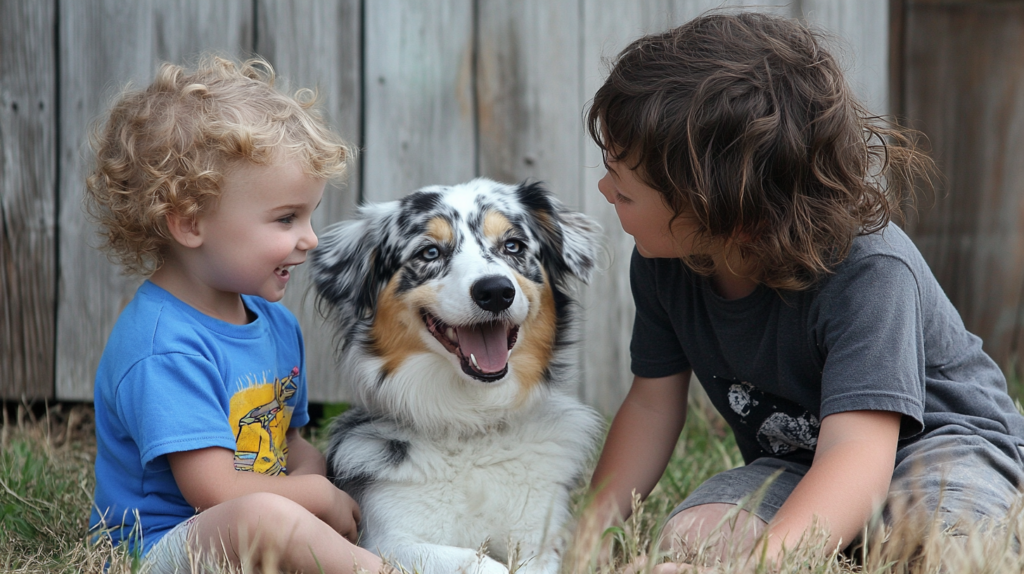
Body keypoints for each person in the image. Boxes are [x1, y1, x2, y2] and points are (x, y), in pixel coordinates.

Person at [583, 11, 1024, 571]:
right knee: (690, 538)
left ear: (726, 214)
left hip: (940, 450)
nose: (603, 190)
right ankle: (846, 549)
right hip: (799, 463)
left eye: (624, 192)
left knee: (943, 551)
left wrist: (762, 564)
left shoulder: (870, 270)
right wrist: (587, 540)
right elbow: (650, 405)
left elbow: (858, 453)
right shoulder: (666, 261)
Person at [86, 55, 385, 574]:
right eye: (286, 218)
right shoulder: (164, 347)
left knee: (290, 507)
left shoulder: (274, 324)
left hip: (250, 521)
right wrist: (314, 495)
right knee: (268, 516)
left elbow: (288, 442)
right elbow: (215, 490)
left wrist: (320, 479)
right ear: (190, 223)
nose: (310, 239)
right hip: (159, 546)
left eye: (309, 215)